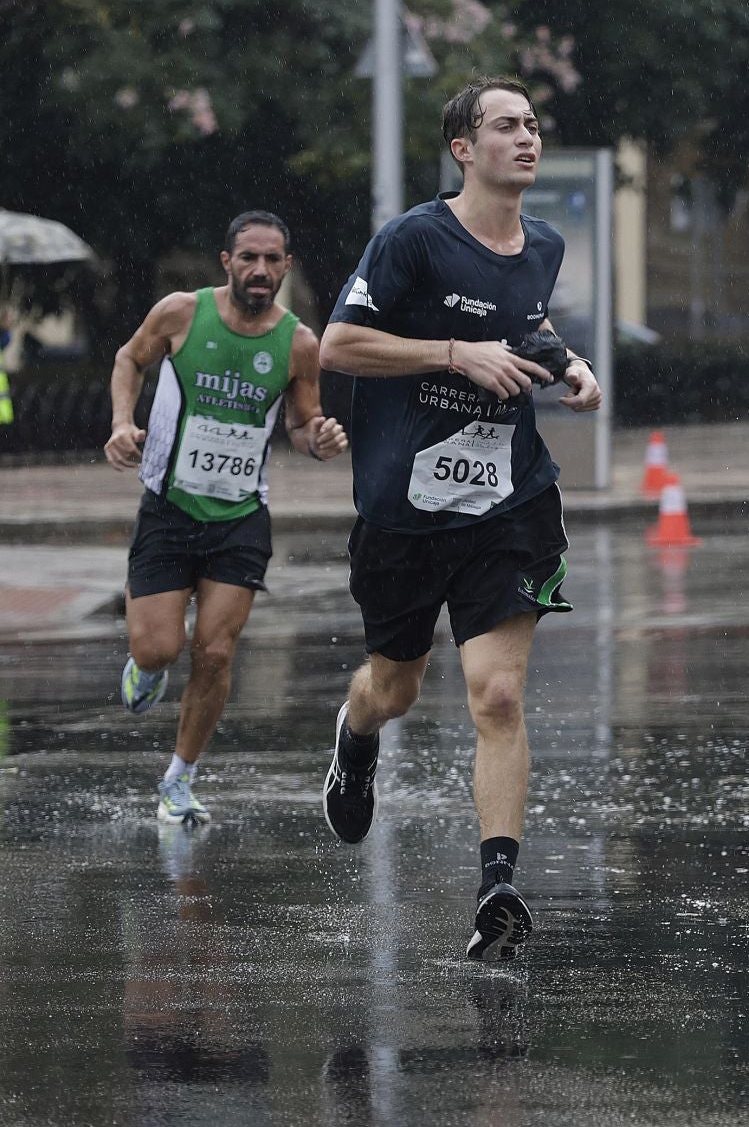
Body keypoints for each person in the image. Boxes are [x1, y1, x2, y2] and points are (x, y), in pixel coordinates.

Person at [318, 77, 603, 963]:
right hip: (404, 512)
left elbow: (528, 321)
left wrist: (567, 362)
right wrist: (454, 354)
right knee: (394, 689)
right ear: (462, 148)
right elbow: (338, 346)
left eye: (532, 125)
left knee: (499, 693)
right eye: (506, 126)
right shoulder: (413, 239)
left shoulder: (544, 244)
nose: (527, 138)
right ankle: (354, 737)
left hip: (508, 502)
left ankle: (498, 889)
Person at [103, 211, 349, 826]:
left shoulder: (299, 343)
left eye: (272, 260)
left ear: (286, 267)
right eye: (249, 258)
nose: (261, 270)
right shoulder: (181, 314)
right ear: (227, 262)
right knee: (161, 648)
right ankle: (147, 662)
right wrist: (120, 424)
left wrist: (316, 439)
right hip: (168, 506)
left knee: (215, 652)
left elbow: (299, 423)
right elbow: (128, 360)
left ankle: (179, 779)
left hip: (241, 514)